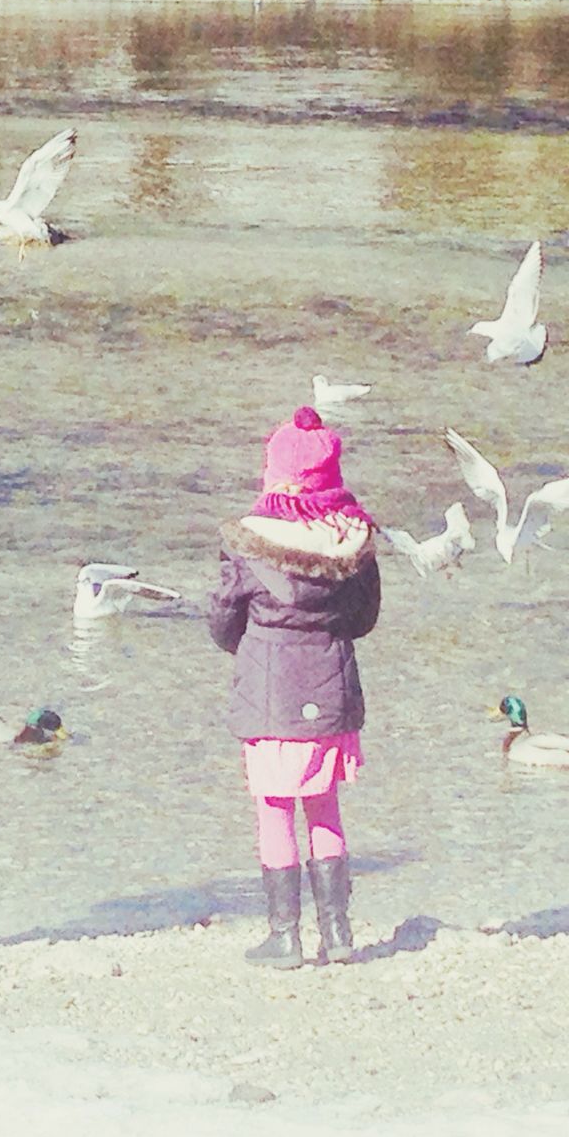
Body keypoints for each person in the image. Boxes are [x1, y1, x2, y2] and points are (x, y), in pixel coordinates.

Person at [209, 406, 381, 969]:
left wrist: (257, 644)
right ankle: (339, 935)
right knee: (325, 808)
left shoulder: (247, 543)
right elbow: (364, 619)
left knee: (274, 809)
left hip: (269, 692)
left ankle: (285, 937)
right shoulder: (355, 541)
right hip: (332, 688)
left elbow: (222, 624)